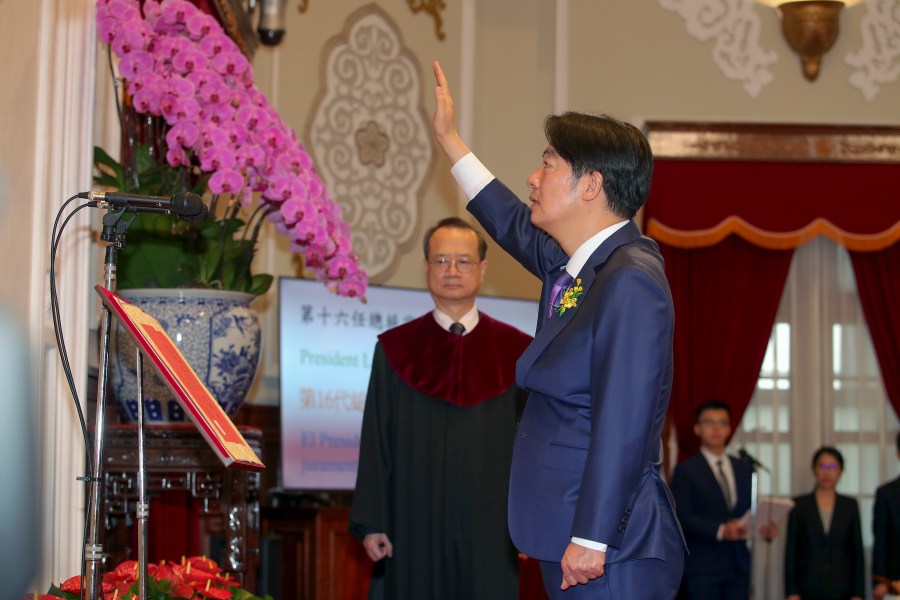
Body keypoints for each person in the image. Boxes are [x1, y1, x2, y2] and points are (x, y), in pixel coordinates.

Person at [431, 61, 685, 599]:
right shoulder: (578, 266)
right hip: (568, 535)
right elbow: (508, 222)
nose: (532, 176)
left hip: (608, 551)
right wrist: (452, 144)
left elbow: (626, 419)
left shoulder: (630, 281)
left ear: (591, 185)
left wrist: (591, 537)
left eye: (548, 164)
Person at [348, 217, 533, 600]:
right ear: (427, 269)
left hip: (492, 526)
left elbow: (531, 447)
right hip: (412, 521)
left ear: (482, 269)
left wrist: (530, 522)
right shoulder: (395, 349)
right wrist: (373, 522)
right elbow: (376, 439)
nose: (452, 271)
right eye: (441, 261)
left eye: (463, 261)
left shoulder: (516, 352)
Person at [670, 400, 778, 600]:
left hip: (738, 565)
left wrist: (761, 528)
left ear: (729, 428)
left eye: (722, 423)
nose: (716, 428)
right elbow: (681, 517)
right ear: (697, 428)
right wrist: (720, 530)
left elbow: (744, 513)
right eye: (709, 422)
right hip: (702, 567)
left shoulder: (743, 468)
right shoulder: (686, 470)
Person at [784, 446, 864, 600]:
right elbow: (791, 551)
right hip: (807, 587)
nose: (827, 472)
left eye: (833, 466)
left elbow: (857, 553)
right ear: (814, 470)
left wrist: (858, 592)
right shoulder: (799, 505)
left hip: (843, 588)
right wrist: (791, 591)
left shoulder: (850, 506)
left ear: (840, 471)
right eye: (822, 466)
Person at [872, 432, 900, 600]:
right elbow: (881, 540)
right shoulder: (886, 494)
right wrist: (879, 580)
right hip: (895, 583)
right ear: (898, 454)